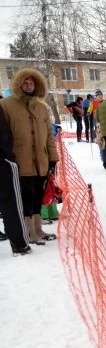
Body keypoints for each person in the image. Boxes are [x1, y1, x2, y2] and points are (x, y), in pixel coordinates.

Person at [0, 68, 60, 245]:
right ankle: (28, 232)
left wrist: (53, 158)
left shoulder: (42, 107)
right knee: (25, 198)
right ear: (19, 84)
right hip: (19, 161)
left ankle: (38, 229)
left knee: (37, 197)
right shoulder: (6, 105)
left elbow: (49, 135)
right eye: (25, 82)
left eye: (31, 82)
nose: (28, 86)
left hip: (40, 161)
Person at [0, 105, 31, 256]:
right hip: (3, 163)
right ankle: (20, 244)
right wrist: (8, 157)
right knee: (12, 204)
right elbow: (4, 135)